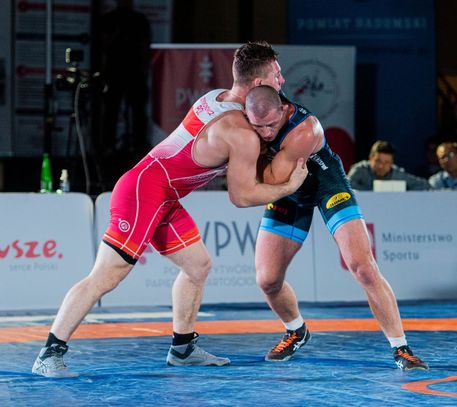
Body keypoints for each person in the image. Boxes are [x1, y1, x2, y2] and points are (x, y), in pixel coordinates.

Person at [32, 42, 308, 378]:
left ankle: (183, 348)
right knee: (106, 275)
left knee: (198, 265)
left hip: (162, 195)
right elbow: (241, 196)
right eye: (276, 75)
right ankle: (50, 353)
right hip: (142, 193)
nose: (281, 80)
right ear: (257, 84)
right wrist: (289, 186)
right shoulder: (240, 132)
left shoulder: (217, 97)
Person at [246, 85, 428, 370]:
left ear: (284, 109)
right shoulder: (243, 120)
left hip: (325, 183)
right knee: (267, 280)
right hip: (288, 192)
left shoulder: (304, 128)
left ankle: (401, 348)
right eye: (259, 127)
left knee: (364, 268)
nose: (267, 133)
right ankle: (296, 330)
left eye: (272, 125)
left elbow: (258, 182)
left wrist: (245, 161)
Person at [99, 0, 151, 158]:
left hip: (135, 71)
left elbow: (145, 46)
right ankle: (108, 145)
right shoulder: (109, 19)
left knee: (138, 111)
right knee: (111, 109)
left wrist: (145, 71)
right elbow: (103, 45)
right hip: (114, 71)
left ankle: (139, 145)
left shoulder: (139, 20)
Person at [347, 140, 430, 191]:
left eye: (386, 162)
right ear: (370, 158)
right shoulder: (360, 170)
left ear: (392, 163)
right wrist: (372, 192)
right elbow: (345, 187)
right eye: (378, 161)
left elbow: (424, 185)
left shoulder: (397, 174)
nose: (381, 166)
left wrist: (404, 192)